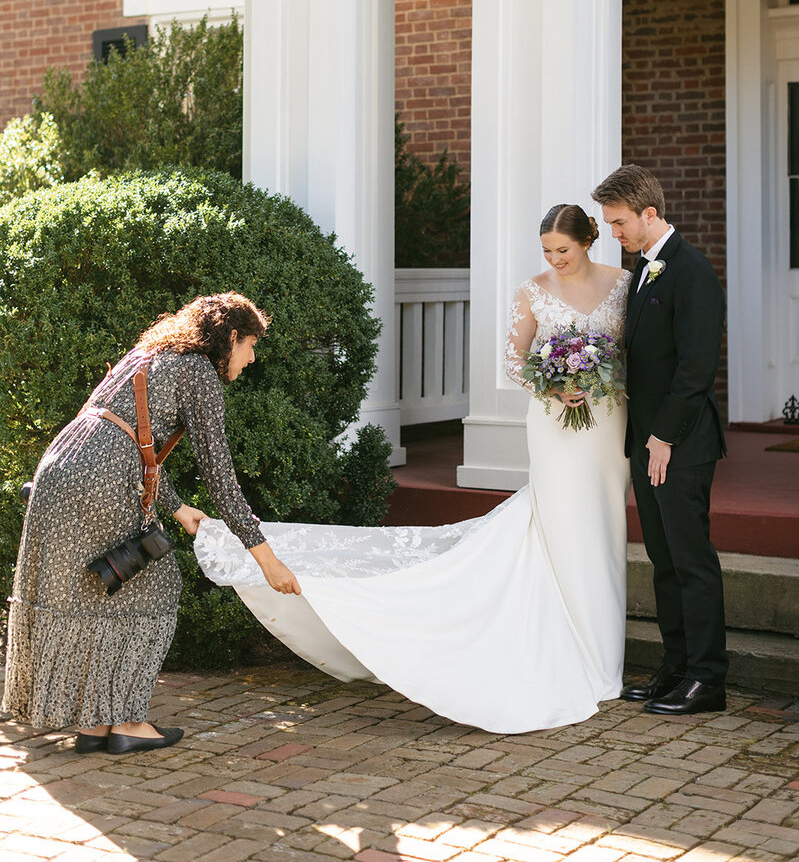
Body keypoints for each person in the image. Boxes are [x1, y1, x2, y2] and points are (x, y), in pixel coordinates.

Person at [194, 206, 631, 734]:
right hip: (555, 421)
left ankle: (607, 662)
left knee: (604, 526)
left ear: (589, 241)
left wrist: (602, 379)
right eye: (546, 251)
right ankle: (571, 649)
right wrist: (554, 383)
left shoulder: (624, 285)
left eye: (563, 250)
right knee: (563, 523)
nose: (555, 260)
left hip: (607, 419)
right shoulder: (532, 290)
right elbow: (515, 362)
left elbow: (633, 351)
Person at [3, 292, 300, 755]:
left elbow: (130, 435)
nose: (252, 357)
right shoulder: (199, 372)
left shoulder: (149, 354)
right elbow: (220, 478)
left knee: (93, 594)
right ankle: (128, 723)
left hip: (59, 469)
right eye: (252, 346)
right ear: (233, 337)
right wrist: (267, 560)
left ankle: (96, 724)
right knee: (157, 590)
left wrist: (178, 509)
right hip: (102, 480)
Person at [592, 165, 727, 715]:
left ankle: (707, 679)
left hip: (681, 443)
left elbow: (696, 368)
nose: (614, 234)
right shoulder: (644, 270)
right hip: (645, 440)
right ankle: (675, 667)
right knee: (664, 558)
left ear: (649, 213)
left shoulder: (691, 271)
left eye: (619, 223)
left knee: (691, 559)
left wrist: (664, 437)